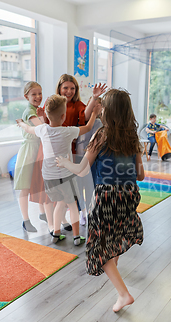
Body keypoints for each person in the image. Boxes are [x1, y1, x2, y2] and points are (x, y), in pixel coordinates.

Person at [56, 88, 145, 313]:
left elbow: (81, 169)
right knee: (113, 239)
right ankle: (119, 287)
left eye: (103, 106)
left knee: (99, 249)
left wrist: (65, 163)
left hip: (106, 196)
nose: (101, 109)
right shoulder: (133, 137)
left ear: (109, 111)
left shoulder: (102, 135)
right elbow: (140, 174)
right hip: (129, 193)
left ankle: (124, 294)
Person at [17, 94, 101, 245]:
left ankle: (56, 233)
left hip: (48, 177)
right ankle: (76, 237)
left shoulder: (42, 129)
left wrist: (21, 123)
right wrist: (94, 113)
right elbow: (88, 127)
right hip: (65, 176)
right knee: (72, 205)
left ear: (47, 116)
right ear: (63, 116)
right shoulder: (68, 131)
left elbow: (28, 128)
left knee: (60, 203)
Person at [55, 74, 107, 227]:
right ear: (59, 88)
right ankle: (61, 218)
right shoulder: (55, 103)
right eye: (66, 88)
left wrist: (94, 97)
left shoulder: (77, 105)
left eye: (72, 88)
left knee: (75, 187)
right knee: (61, 188)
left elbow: (84, 115)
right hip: (58, 150)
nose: (69, 91)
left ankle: (80, 214)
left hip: (73, 153)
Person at [13, 81, 53, 232]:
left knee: (39, 183)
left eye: (40, 93)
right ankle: (25, 219)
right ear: (26, 96)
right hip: (30, 150)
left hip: (39, 149)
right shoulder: (30, 111)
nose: (38, 97)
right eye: (34, 94)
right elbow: (40, 127)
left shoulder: (38, 109)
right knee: (25, 186)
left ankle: (42, 213)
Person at [75, 96, 103, 225]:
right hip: (80, 158)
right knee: (80, 187)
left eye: (98, 106)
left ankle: (91, 211)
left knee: (91, 186)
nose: (95, 109)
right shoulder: (81, 121)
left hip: (93, 161)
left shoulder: (100, 124)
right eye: (93, 105)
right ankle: (82, 212)